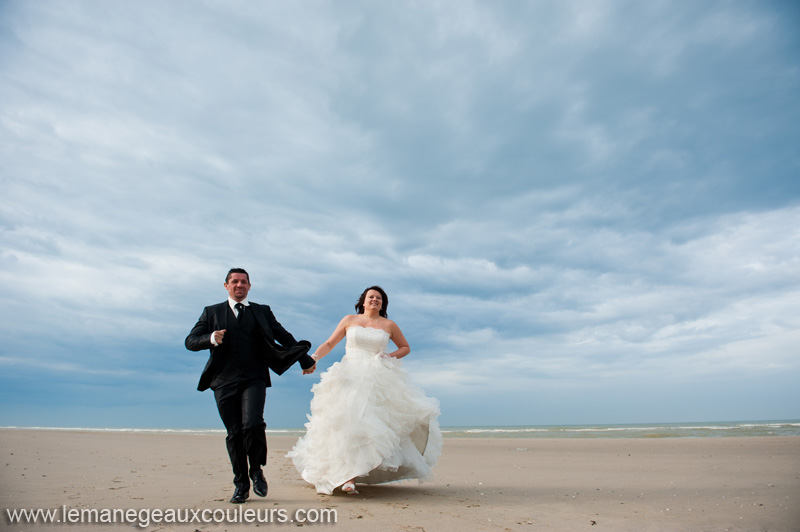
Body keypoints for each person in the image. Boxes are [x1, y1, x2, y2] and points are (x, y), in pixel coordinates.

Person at [288, 286, 442, 495]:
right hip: (349, 376)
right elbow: (330, 343)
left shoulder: (389, 325)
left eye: (379, 298)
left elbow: (405, 347)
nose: (375, 300)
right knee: (345, 423)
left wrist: (389, 356)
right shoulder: (349, 320)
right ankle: (346, 476)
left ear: (383, 303)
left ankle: (353, 475)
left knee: (367, 425)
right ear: (363, 300)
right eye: (371, 297)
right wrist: (313, 358)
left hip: (376, 378)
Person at [185, 268, 316, 504]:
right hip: (223, 381)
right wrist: (211, 338)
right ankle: (241, 485)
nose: (239, 285)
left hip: (254, 377)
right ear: (226, 286)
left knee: (253, 424)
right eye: (234, 282)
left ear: (249, 286)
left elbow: (283, 335)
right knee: (234, 433)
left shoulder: (261, 311)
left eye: (243, 282)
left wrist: (304, 360)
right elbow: (190, 341)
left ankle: (256, 469)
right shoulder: (211, 312)